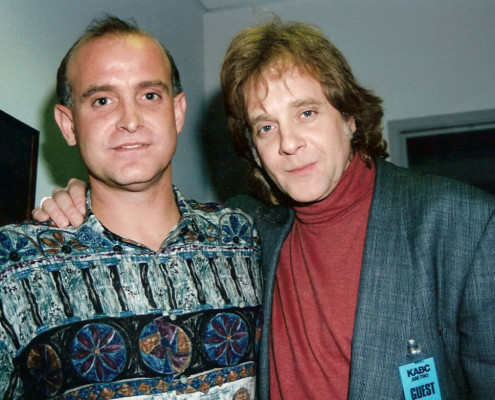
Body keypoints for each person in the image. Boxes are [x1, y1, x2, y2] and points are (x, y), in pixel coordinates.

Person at [34, 17, 495, 400]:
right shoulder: (249, 227)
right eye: (266, 127)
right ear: (253, 150)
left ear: (350, 117)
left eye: (307, 113)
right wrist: (79, 197)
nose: (289, 143)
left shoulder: (459, 223)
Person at [2, 16, 261, 400]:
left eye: (149, 95)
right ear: (69, 124)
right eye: (102, 100)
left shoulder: (243, 237)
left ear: (176, 111)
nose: (130, 120)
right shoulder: (14, 263)